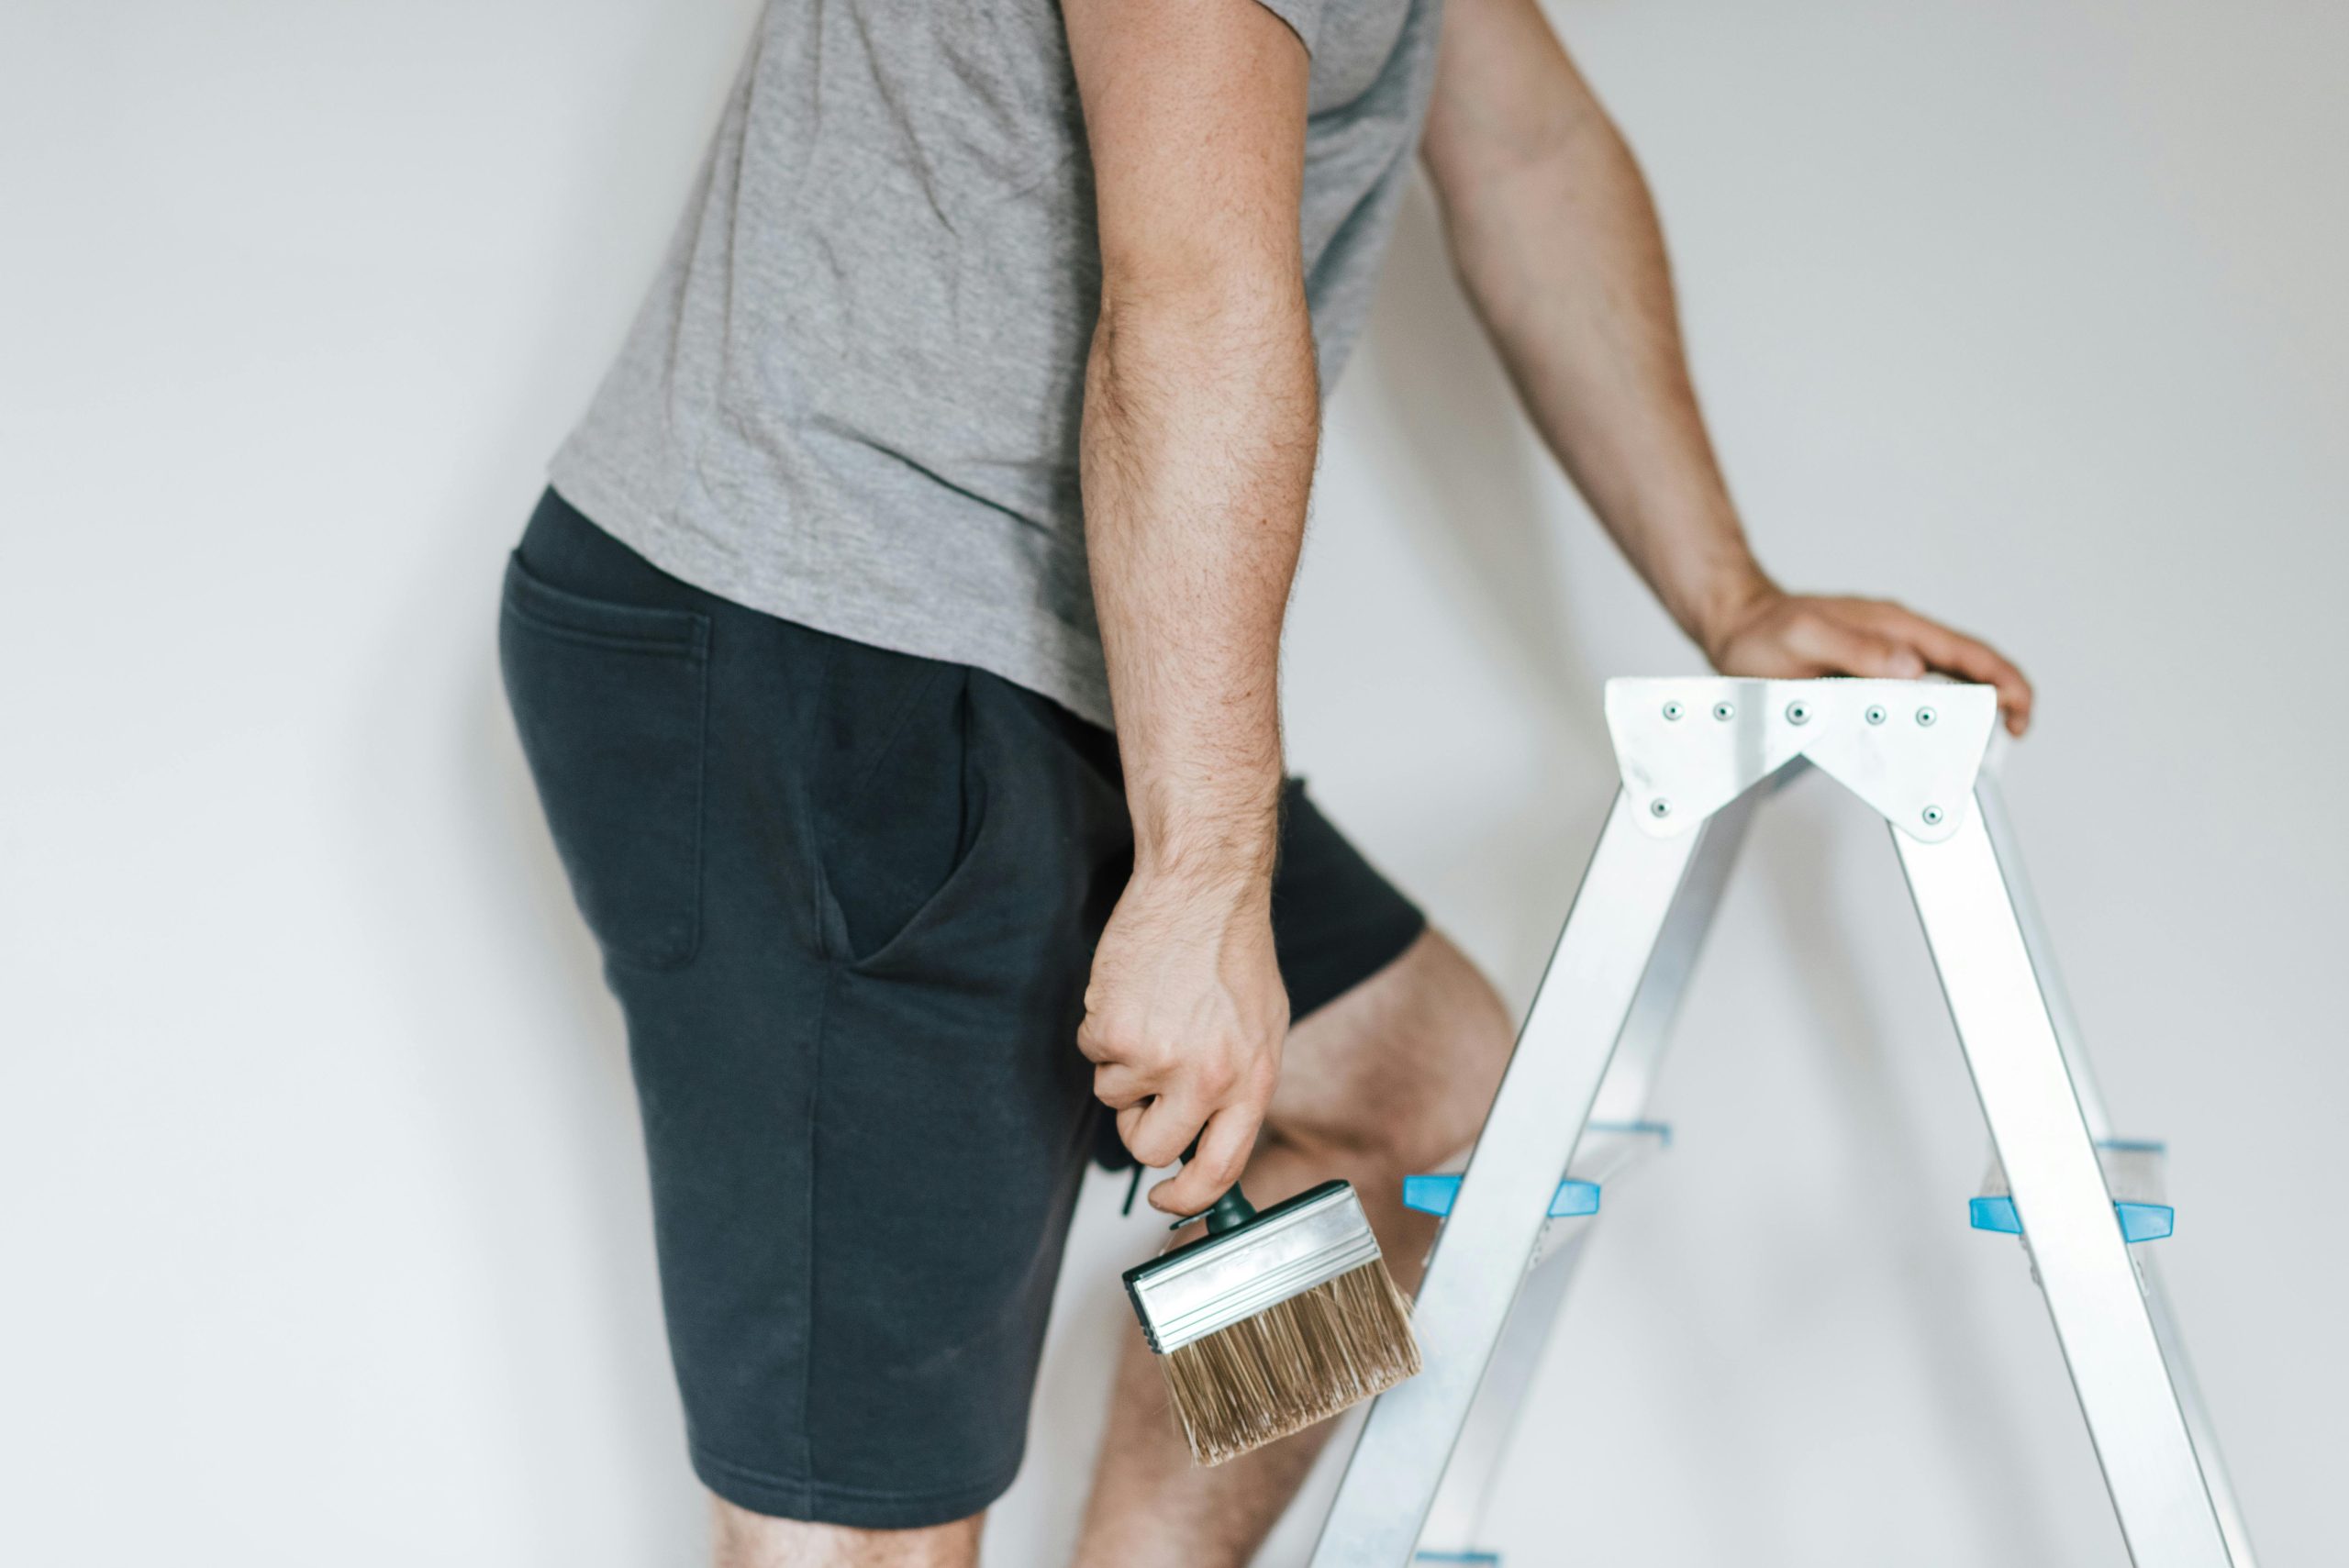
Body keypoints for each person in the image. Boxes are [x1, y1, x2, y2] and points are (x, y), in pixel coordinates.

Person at [495, 0, 2034, 1562]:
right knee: (876, 1526)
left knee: (1415, 1111)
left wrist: (1731, 594)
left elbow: (1527, 148)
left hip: (1066, 635)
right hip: (818, 624)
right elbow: (1187, 301)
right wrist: (1202, 879)